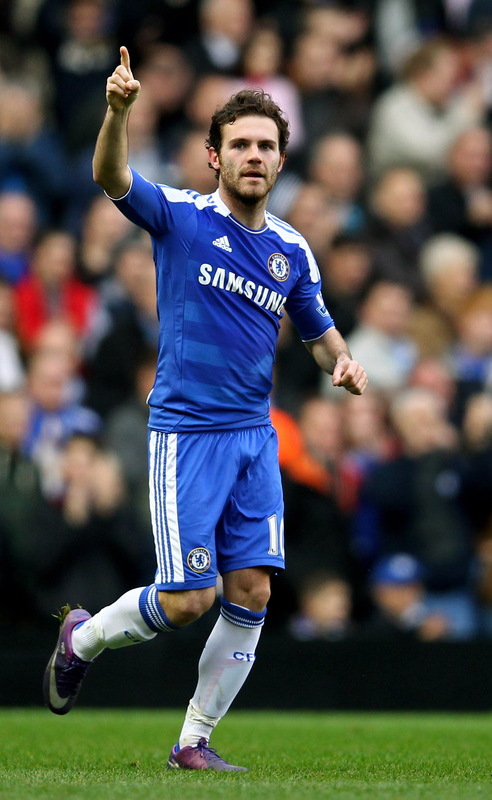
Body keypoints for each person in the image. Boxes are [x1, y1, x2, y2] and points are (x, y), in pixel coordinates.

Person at [43, 46, 367, 772]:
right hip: (187, 433)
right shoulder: (183, 219)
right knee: (189, 599)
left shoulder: (290, 250)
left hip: (254, 437)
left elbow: (319, 333)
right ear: (214, 156)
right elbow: (110, 177)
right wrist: (118, 113)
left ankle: (193, 741)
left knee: (252, 589)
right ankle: (81, 639)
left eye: (266, 146)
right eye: (240, 144)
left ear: (281, 161)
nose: (254, 156)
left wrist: (342, 361)